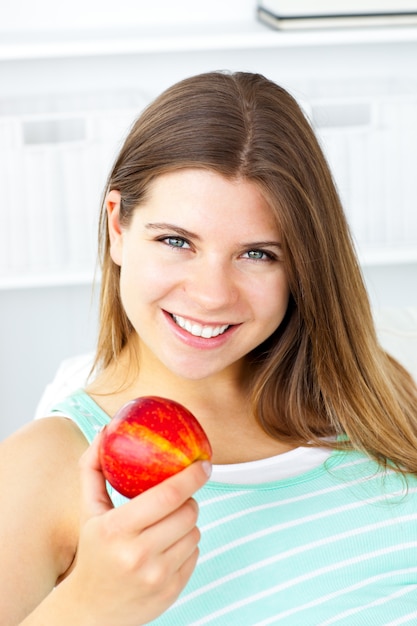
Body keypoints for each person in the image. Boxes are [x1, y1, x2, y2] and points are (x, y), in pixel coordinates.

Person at [1, 71, 416, 626]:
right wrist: (88, 608)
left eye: (259, 254)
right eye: (177, 241)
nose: (212, 294)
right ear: (118, 228)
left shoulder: (375, 395)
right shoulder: (39, 470)